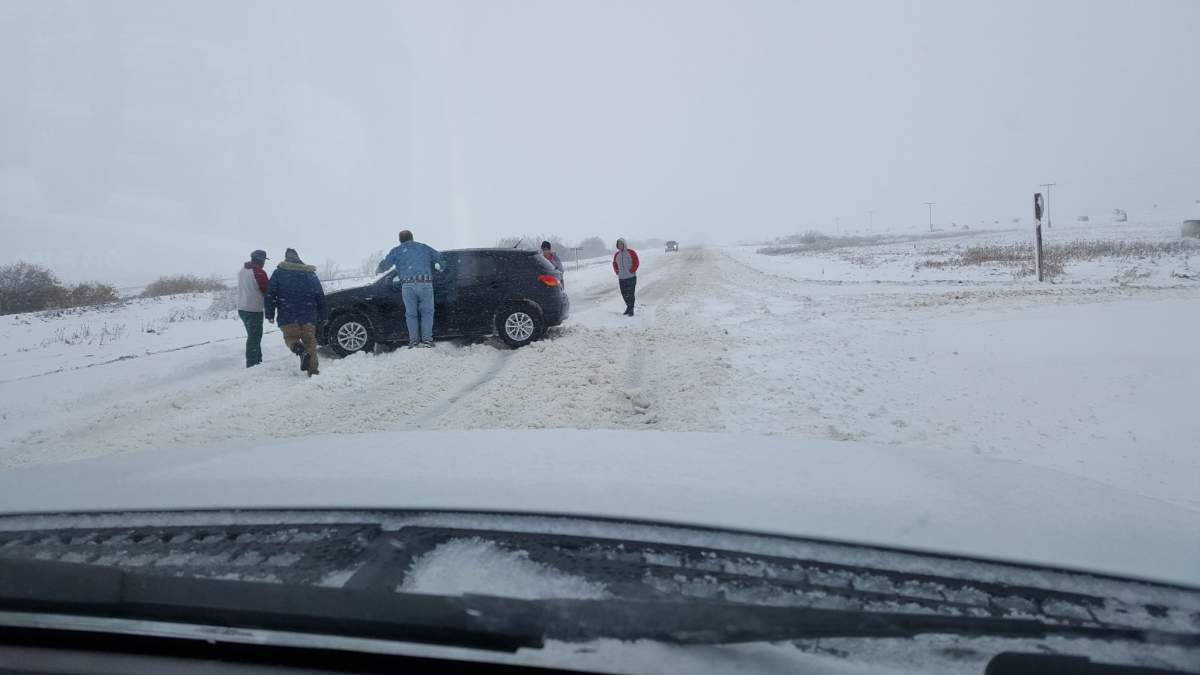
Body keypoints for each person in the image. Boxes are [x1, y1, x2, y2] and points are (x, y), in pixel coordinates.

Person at [264, 248, 327, 376]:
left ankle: (300, 350)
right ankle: (313, 371)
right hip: (309, 315)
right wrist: (324, 314)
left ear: (286, 258)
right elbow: (320, 295)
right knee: (310, 341)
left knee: (291, 338)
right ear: (298, 258)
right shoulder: (310, 273)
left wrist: (270, 314)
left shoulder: (279, 273)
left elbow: (270, 294)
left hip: (287, 315)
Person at [377, 229, 443, 348]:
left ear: (400, 240)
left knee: (411, 314)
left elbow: (385, 264)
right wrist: (441, 267)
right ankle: (427, 340)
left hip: (407, 285)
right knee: (427, 312)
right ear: (412, 237)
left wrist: (379, 269)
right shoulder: (423, 247)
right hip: (425, 283)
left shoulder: (396, 251)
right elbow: (439, 257)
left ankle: (413, 341)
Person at [236, 249, 269, 368]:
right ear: (260, 260)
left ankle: (257, 360)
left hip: (242, 308)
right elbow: (267, 290)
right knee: (254, 337)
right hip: (253, 309)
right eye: (264, 260)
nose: (264, 263)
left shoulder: (242, 270)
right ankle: (252, 363)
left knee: (253, 335)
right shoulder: (258, 272)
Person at [612, 238, 640, 316]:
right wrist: (617, 271)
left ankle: (631, 309)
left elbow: (636, 262)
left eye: (621, 244)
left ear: (624, 244)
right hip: (621, 278)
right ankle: (628, 307)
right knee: (624, 294)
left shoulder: (631, 252)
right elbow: (614, 263)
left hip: (631, 277)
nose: (620, 245)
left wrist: (632, 270)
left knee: (631, 294)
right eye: (618, 244)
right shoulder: (616, 255)